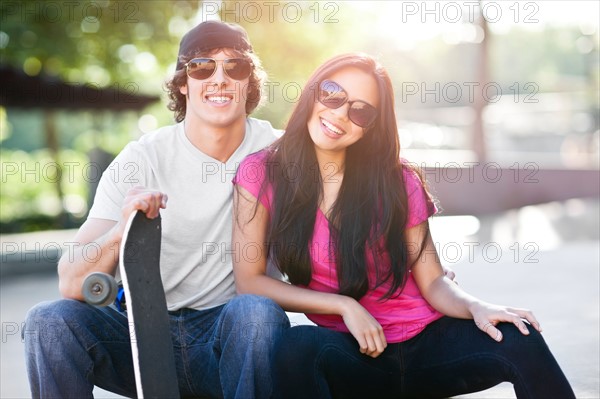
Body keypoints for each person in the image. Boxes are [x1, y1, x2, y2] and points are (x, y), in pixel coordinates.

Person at [232, 52, 575, 399]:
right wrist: (344, 306)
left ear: (371, 126)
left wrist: (476, 307)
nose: (339, 113)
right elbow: (249, 281)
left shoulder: (397, 180)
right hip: (356, 354)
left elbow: (434, 282)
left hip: (427, 348)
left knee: (521, 336)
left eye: (360, 110)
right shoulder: (261, 173)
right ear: (313, 91)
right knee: (297, 348)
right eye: (332, 93)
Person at [24, 20, 290, 399]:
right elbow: (70, 281)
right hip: (143, 332)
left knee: (258, 315)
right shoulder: (143, 158)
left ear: (250, 81)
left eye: (236, 67)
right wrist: (124, 227)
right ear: (183, 82)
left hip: (228, 336)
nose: (220, 79)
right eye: (201, 67)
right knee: (47, 323)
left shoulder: (279, 150)